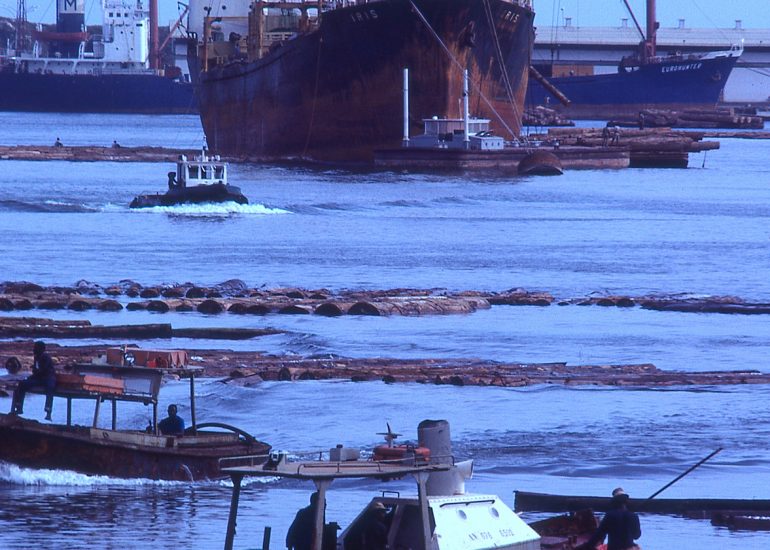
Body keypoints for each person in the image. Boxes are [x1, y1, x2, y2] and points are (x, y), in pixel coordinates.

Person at [577, 487, 641, 550]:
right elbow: (636, 536)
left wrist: (587, 546)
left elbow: (599, 535)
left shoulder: (610, 515)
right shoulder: (634, 516)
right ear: (626, 502)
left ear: (614, 503)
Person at [10, 341, 57, 420]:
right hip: (39, 378)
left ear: (41, 349)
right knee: (22, 384)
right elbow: (36, 370)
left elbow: (43, 370)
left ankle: (48, 412)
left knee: (50, 389)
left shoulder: (45, 357)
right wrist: (33, 374)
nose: (34, 349)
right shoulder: (37, 356)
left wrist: (35, 372)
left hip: (48, 378)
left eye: (35, 348)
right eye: (34, 348)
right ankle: (19, 407)